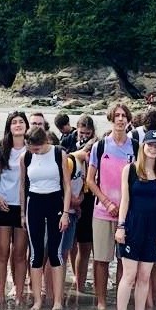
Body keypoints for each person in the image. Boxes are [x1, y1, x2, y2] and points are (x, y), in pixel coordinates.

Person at [84, 102, 137, 310]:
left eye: (124, 116)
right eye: (117, 115)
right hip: (102, 211)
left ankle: (120, 301)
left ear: (129, 120)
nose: (120, 119)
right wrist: (106, 202)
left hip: (128, 212)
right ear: (111, 119)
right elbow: (90, 180)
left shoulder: (136, 147)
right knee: (101, 259)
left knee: (124, 259)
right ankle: (101, 302)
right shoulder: (100, 146)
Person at [115, 131, 156, 310]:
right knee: (129, 275)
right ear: (143, 146)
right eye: (150, 145)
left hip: (153, 228)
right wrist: (121, 226)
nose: (153, 149)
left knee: (145, 276)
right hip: (133, 225)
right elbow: (125, 200)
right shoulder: (130, 170)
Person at [19, 125, 72, 310]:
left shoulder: (59, 153)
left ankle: (57, 301)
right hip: (34, 203)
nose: (34, 151)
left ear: (45, 142)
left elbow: (67, 185)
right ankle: (37, 300)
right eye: (31, 148)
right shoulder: (25, 157)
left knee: (55, 252)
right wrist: (22, 213)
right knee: (36, 254)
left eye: (37, 148)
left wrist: (65, 213)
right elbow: (23, 186)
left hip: (55, 201)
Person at [0, 111, 30, 305]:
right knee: (2, 251)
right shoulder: (1, 149)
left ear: (26, 126)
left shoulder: (31, 149)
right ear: (9, 127)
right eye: (14, 122)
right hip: (4, 205)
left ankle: (18, 295)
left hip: (23, 206)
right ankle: (0, 295)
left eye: (21, 122)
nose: (18, 125)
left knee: (20, 253)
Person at [68, 115, 97, 294]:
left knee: (86, 244)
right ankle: (76, 276)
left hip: (90, 199)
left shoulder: (96, 146)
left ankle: (81, 282)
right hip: (72, 198)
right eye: (81, 133)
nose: (84, 136)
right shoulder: (69, 142)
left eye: (87, 133)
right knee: (72, 243)